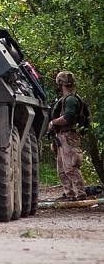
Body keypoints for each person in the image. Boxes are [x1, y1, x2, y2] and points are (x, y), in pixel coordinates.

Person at [48, 71, 87, 201]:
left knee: (70, 167)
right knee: (62, 168)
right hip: (62, 136)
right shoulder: (66, 99)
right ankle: (69, 194)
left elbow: (68, 118)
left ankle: (80, 193)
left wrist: (53, 122)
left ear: (60, 84)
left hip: (69, 136)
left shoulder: (71, 99)